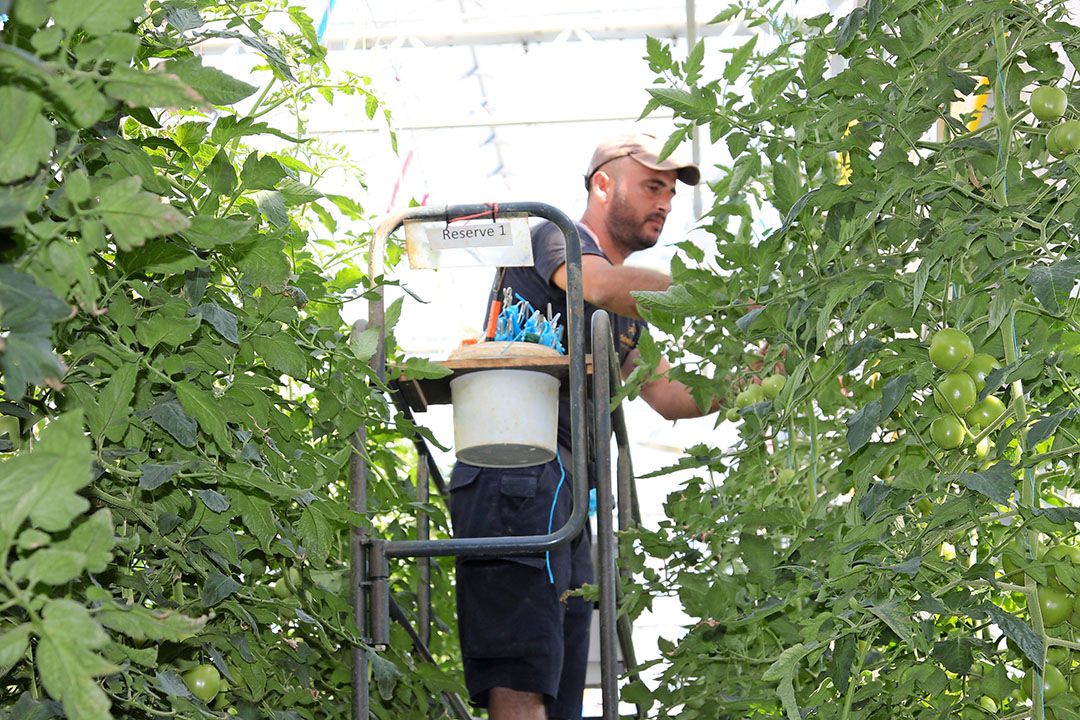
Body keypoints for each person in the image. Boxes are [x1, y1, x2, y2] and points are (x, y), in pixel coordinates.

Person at [448, 132, 716, 720]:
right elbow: (593, 282)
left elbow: (669, 396)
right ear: (602, 183)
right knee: (520, 677)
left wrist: (761, 377)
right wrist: (715, 294)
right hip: (514, 469)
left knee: (560, 683)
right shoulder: (555, 234)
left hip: (566, 493)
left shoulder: (624, 318)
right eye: (652, 186)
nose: (665, 204)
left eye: (670, 193)